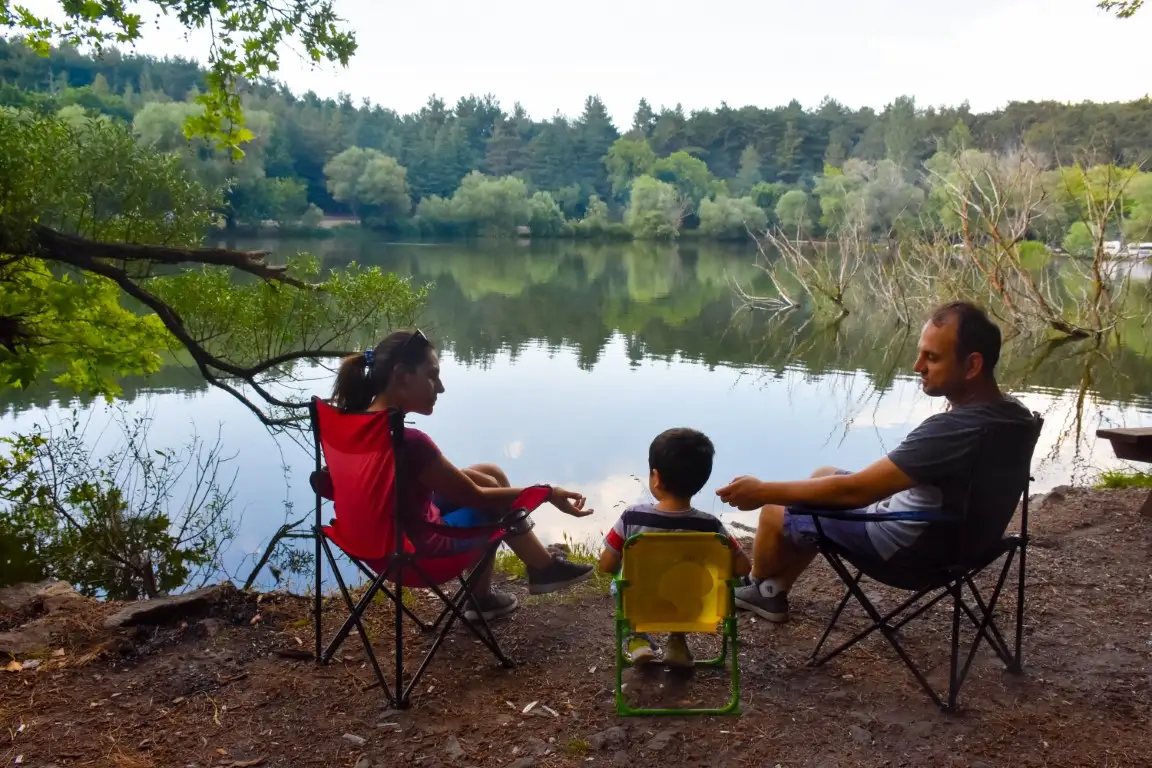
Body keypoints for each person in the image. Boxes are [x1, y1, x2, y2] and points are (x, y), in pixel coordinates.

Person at [717, 301, 1036, 623]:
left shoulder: (956, 430)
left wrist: (761, 491)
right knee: (822, 475)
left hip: (911, 553)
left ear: (972, 366)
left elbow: (856, 492)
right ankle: (775, 590)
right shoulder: (1015, 416)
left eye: (932, 358)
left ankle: (757, 586)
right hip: (966, 544)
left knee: (775, 511)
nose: (917, 366)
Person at [331, 329, 595, 622]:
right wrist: (548, 492)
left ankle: (488, 596)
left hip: (373, 544)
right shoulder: (411, 443)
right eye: (432, 376)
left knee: (488, 473)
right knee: (491, 500)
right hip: (417, 554)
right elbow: (476, 497)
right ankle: (542, 569)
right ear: (403, 375)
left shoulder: (353, 428)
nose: (440, 388)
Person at [598, 428, 751, 667]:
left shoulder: (632, 518)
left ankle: (638, 640)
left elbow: (606, 564)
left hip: (642, 603)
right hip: (692, 607)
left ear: (656, 477)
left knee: (619, 583)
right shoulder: (711, 526)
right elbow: (743, 567)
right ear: (701, 482)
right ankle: (677, 643)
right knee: (687, 583)